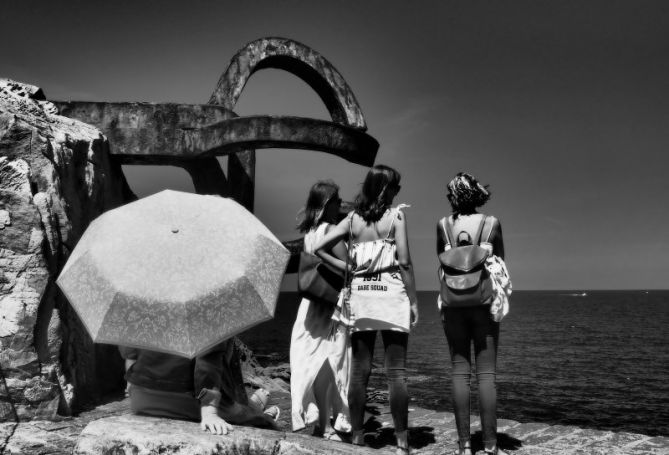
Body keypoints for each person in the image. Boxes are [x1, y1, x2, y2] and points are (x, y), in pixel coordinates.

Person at [314, 165, 419, 455]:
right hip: (391, 293)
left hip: (362, 295)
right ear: (386, 189)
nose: (399, 192)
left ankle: (358, 438)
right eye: (396, 187)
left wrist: (348, 267)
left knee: (360, 371)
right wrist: (412, 300)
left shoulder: (352, 219)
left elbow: (319, 248)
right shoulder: (396, 216)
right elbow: (405, 262)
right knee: (396, 372)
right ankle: (401, 443)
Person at [436, 172, 506, 455]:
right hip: (484, 301)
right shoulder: (492, 224)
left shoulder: (442, 225)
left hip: (453, 303)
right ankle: (490, 445)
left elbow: (440, 260)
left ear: (453, 196)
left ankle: (464, 444)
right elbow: (500, 261)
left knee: (459, 372)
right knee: (486, 375)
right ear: (477, 195)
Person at [290, 180, 352, 437]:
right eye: (337, 201)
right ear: (327, 204)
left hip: (309, 304)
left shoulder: (310, 232)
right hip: (329, 304)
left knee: (310, 361)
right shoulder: (329, 230)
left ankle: (318, 419)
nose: (340, 204)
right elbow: (349, 268)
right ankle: (329, 424)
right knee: (331, 361)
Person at [120, 341, 278, 435]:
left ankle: (253, 405)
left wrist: (132, 388)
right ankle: (259, 413)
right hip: (188, 402)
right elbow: (207, 363)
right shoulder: (209, 306)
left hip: (141, 399)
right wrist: (209, 412)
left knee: (244, 406)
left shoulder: (143, 303)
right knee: (264, 423)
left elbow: (130, 356)